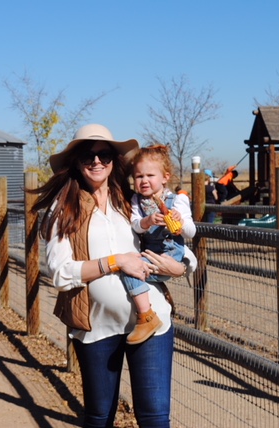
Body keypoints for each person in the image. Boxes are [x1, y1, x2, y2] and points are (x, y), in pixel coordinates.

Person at [29, 124, 197, 427]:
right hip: (97, 326)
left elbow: (172, 240)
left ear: (113, 160)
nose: (97, 162)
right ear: (76, 161)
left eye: (104, 155)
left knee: (155, 418)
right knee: (100, 416)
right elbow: (61, 274)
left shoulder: (131, 202)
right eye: (88, 155)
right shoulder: (63, 209)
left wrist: (182, 266)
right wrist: (116, 261)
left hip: (152, 321)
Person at [122, 145, 196, 345]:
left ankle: (146, 316)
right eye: (138, 176)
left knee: (132, 271)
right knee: (132, 266)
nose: (144, 181)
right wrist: (147, 221)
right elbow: (135, 224)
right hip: (150, 252)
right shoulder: (137, 200)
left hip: (170, 254)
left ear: (165, 177)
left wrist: (180, 223)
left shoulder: (177, 200)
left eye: (150, 175)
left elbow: (191, 232)